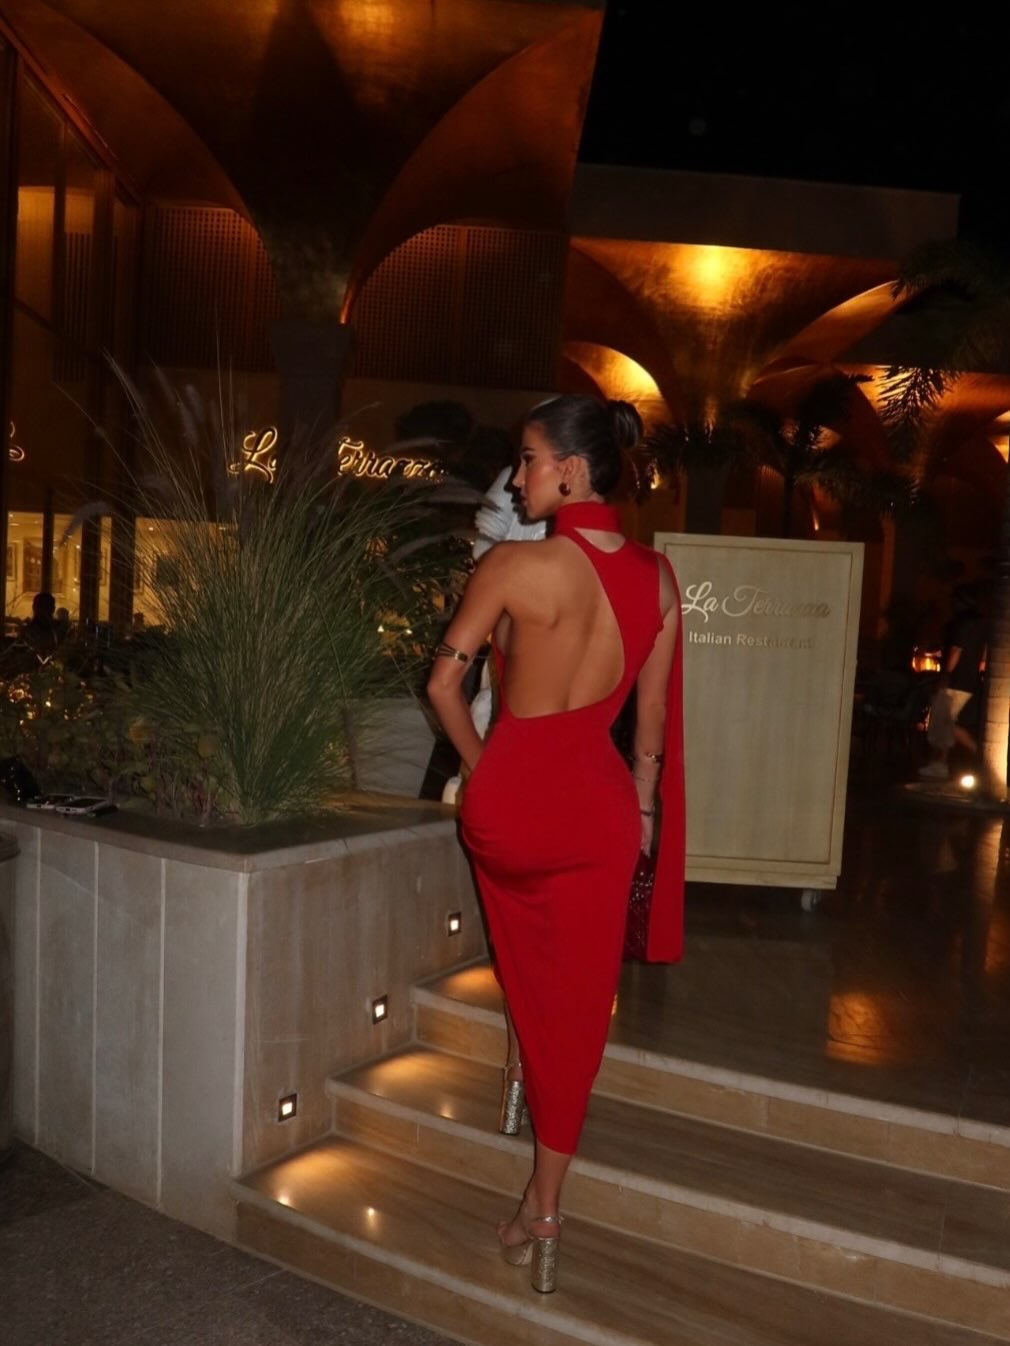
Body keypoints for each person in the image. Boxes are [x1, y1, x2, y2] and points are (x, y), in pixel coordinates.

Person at [427, 394, 684, 1293]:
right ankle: (543, 1208)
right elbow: (649, 730)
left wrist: (485, 768)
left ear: (572, 470)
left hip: (514, 807)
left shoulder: (511, 567)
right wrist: (641, 815)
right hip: (603, 814)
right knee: (577, 1003)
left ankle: (517, 1067)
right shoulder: (660, 580)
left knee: (523, 951)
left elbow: (443, 687)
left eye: (530, 459)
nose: (516, 479)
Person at [919, 585, 986, 780]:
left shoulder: (961, 624)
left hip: (956, 681)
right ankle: (945, 761)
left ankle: (945, 762)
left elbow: (956, 650)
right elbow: (984, 652)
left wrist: (946, 674)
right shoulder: (982, 624)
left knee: (944, 721)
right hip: (970, 680)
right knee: (948, 722)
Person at [22, 591, 60, 660]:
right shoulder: (27, 632)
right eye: (42, 606)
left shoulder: (59, 630)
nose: (44, 610)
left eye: (48, 607)